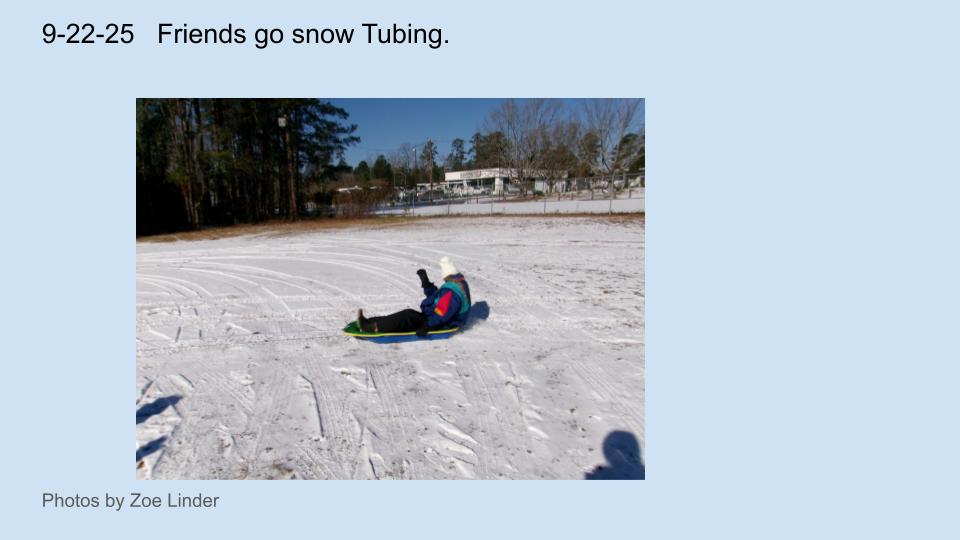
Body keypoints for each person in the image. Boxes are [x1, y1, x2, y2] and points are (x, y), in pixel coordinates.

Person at [358, 256, 471, 336]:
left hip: (442, 324)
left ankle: (373, 327)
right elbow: (439, 299)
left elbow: (443, 314)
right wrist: (427, 285)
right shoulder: (457, 284)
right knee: (409, 315)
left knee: (408, 316)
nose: (444, 279)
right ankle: (371, 322)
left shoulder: (453, 292)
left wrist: (427, 326)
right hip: (436, 317)